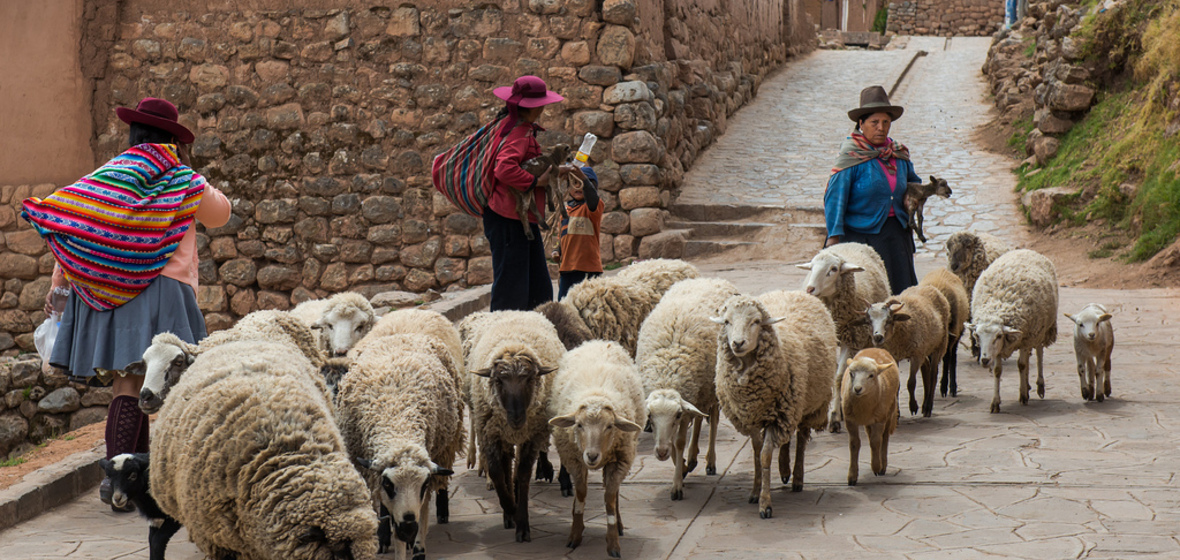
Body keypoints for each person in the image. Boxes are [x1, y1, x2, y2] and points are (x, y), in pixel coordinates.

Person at [21, 97, 231, 511]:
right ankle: (136, 480)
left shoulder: (107, 177)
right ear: (172, 139)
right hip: (163, 292)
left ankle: (127, 480)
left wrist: (60, 282)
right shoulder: (183, 179)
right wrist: (194, 178)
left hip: (105, 291)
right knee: (155, 386)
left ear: (134, 135)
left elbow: (75, 222)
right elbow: (220, 214)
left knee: (127, 384)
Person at [824, 85, 921, 295]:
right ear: (861, 124)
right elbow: (835, 198)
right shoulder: (851, 157)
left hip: (897, 235)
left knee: (902, 295)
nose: (881, 128)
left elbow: (914, 183)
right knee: (870, 296)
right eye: (874, 122)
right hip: (863, 236)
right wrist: (834, 236)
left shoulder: (898, 153)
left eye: (886, 122)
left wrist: (912, 198)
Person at [483, 75, 565, 311]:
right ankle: (501, 340)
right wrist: (536, 182)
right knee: (511, 291)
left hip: (518, 219)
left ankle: (535, 336)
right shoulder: (519, 133)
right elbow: (504, 168)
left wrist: (560, 170)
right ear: (537, 106)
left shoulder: (517, 128)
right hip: (508, 218)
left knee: (537, 289)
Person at [552, 164, 604, 300]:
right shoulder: (565, 211)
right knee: (565, 306)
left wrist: (582, 177)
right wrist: (557, 250)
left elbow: (592, 198)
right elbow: (562, 236)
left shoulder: (592, 209)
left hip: (589, 269)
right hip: (567, 269)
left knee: (590, 306)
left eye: (581, 183)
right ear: (568, 188)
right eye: (574, 183)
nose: (578, 187)